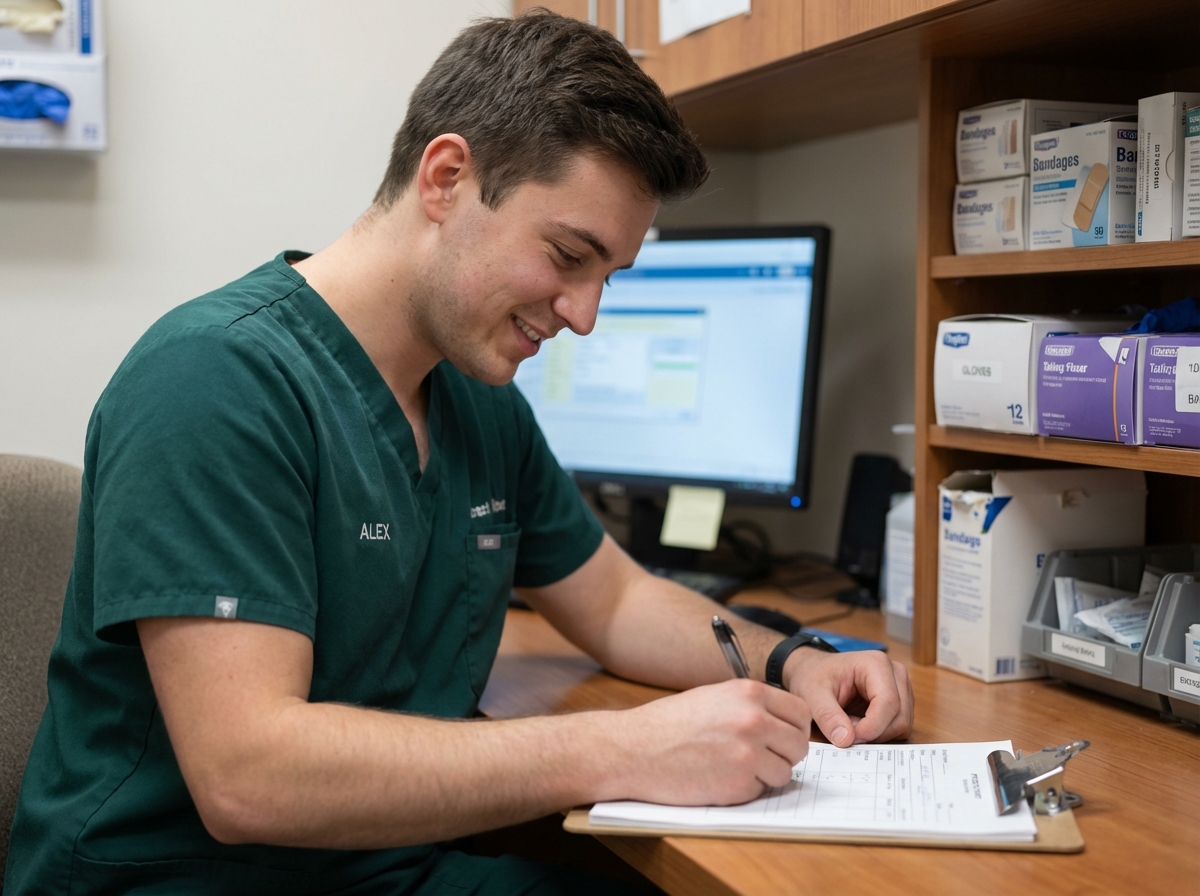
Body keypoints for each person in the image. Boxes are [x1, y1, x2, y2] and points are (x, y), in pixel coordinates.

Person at [5, 10, 913, 895]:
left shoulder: (478, 398)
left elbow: (616, 598)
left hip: (390, 863)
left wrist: (795, 658)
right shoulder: (214, 381)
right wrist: (623, 748)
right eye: (567, 255)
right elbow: (250, 775)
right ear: (445, 179)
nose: (585, 316)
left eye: (606, 278)